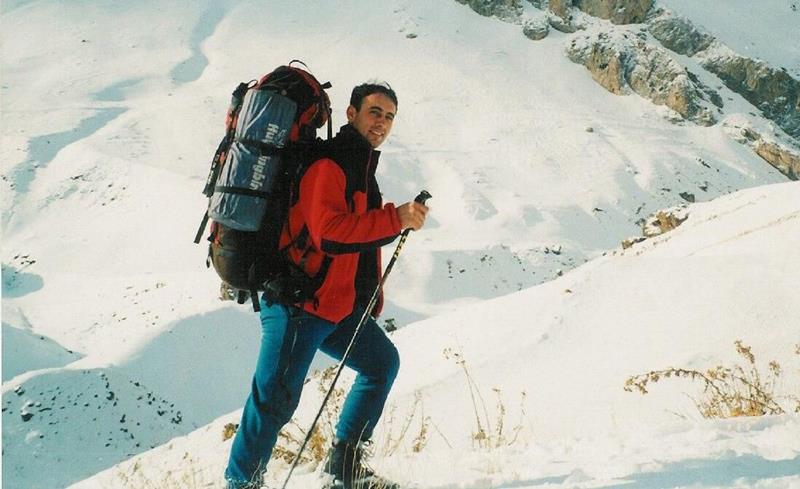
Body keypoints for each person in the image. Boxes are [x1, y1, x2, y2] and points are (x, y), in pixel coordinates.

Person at [225, 82, 429, 489]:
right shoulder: (329, 165)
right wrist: (396, 218)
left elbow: (356, 242)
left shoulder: (360, 168)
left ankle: (343, 467)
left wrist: (366, 298)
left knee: (380, 364)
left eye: (389, 117)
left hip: (335, 304)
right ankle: (241, 483)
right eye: (374, 112)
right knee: (273, 401)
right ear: (352, 114)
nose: (381, 123)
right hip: (297, 304)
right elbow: (329, 233)